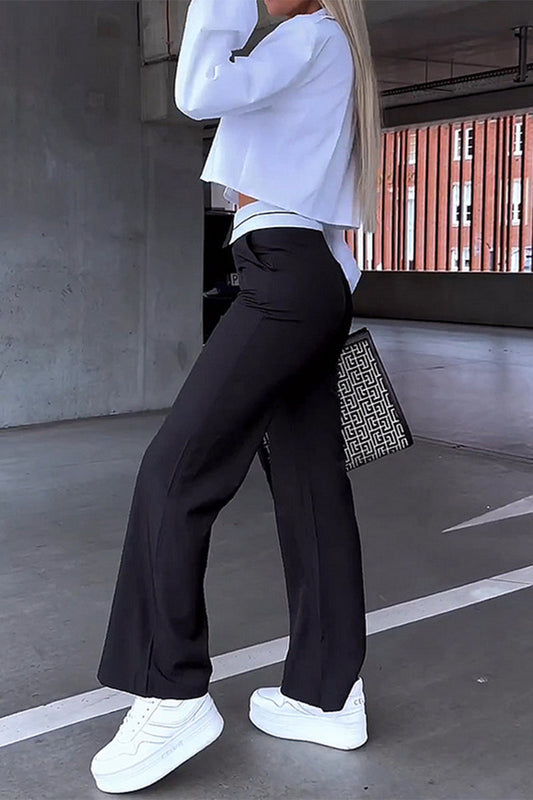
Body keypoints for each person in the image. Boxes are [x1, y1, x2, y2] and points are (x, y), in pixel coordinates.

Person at [90, 0, 382, 793]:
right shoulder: (325, 47)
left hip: (284, 279)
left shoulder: (307, 35)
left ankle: (171, 693)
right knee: (311, 487)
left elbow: (197, 92)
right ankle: (327, 697)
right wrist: (324, 300)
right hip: (304, 278)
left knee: (173, 473)